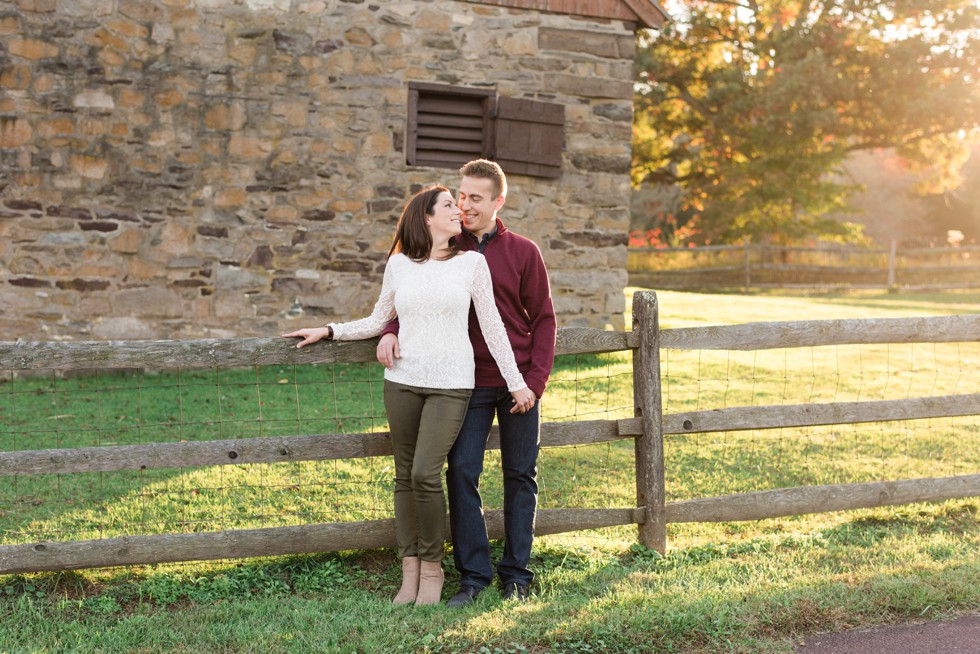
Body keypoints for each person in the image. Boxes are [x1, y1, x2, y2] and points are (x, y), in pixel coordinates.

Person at [283, 185, 536, 606]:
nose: (459, 210)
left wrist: (517, 382)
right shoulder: (399, 265)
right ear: (427, 218)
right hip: (401, 381)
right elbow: (379, 318)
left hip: (452, 385)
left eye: (460, 204)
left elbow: (493, 328)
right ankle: (410, 570)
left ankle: (434, 570)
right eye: (450, 206)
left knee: (425, 473)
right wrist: (329, 330)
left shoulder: (472, 263)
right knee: (403, 476)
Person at [377, 160, 557, 606]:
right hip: (465, 384)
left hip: (518, 384)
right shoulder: (444, 247)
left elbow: (545, 320)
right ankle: (473, 577)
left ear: (498, 201)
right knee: (460, 473)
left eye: (476, 198)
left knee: (520, 475)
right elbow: (406, 297)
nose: (465, 205)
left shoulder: (524, 252)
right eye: (461, 196)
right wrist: (389, 331)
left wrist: (533, 382)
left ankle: (517, 574)